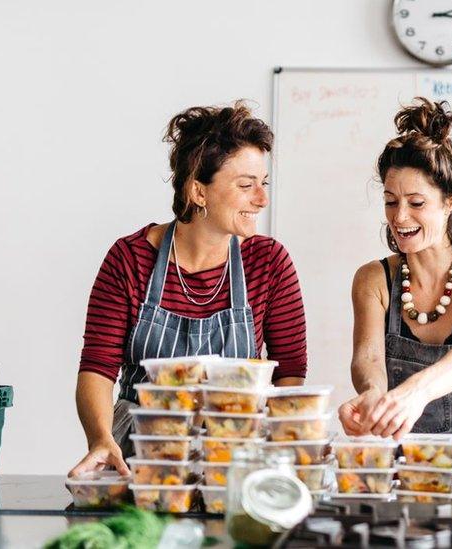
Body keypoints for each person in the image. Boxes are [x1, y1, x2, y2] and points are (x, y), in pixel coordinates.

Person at [69, 102, 308, 476]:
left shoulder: (269, 262)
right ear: (199, 191)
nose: (262, 199)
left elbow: (290, 372)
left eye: (264, 184)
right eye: (246, 186)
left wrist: (278, 445)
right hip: (140, 455)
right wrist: (101, 439)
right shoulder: (129, 260)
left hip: (236, 454)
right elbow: (97, 369)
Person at [337, 97, 452, 439]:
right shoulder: (373, 279)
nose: (399, 217)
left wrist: (416, 390)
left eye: (416, 203)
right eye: (391, 201)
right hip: (405, 463)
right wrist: (374, 397)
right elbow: (369, 360)